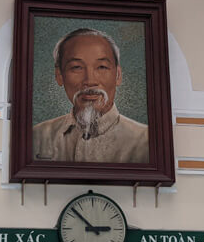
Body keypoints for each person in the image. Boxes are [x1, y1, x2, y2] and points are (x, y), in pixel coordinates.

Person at [33, 28, 149, 163]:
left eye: (101, 67)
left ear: (117, 75)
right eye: (77, 67)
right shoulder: (37, 136)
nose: (90, 81)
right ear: (59, 76)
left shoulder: (146, 141)